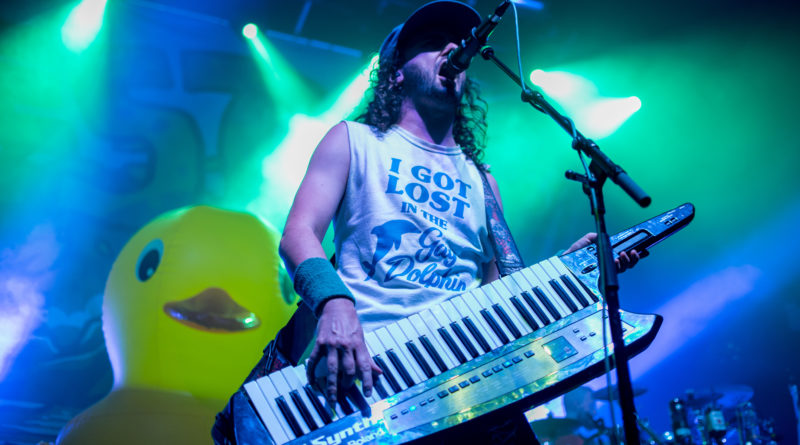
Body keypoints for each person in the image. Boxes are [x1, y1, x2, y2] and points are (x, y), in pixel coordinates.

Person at [213, 1, 642, 444]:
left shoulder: (481, 178)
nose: (452, 49)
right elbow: (299, 234)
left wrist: (567, 271)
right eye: (432, 44)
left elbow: (500, 292)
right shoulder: (353, 140)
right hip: (374, 367)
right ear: (396, 72)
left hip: (467, 373)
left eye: (457, 44)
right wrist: (334, 304)